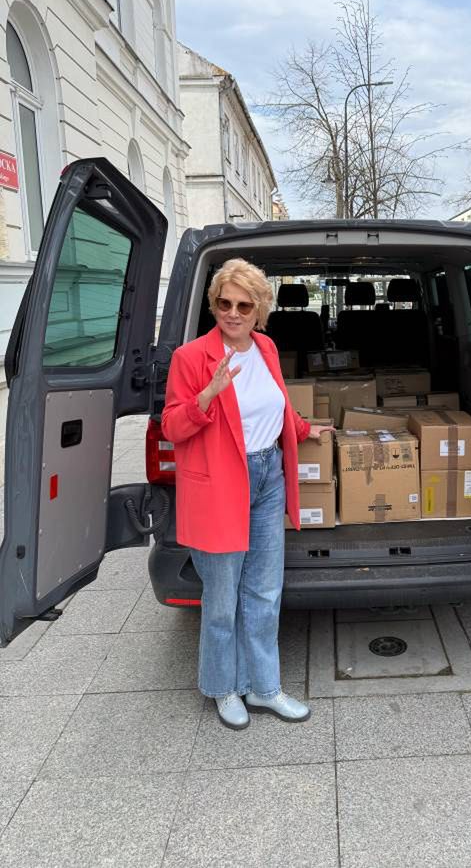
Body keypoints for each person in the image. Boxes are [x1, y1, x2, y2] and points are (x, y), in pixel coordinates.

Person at [162, 258, 334, 730]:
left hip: (267, 478)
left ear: (260, 309)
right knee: (221, 597)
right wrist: (205, 397)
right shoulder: (191, 357)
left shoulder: (267, 347)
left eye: (244, 304)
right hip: (220, 484)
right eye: (224, 302)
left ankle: (264, 686)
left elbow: (274, 404)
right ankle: (223, 688)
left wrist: (303, 427)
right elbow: (172, 427)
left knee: (263, 590)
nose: (232, 313)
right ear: (213, 304)